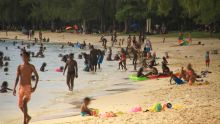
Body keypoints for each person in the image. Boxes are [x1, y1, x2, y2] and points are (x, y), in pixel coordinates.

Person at [13, 52, 39, 124]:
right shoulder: (19, 66)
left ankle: (24, 122)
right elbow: (17, 78)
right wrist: (14, 88)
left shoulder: (31, 66)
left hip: (28, 87)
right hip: (21, 87)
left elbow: (37, 76)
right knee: (20, 106)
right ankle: (28, 117)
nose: (23, 58)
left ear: (28, 57)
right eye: (23, 57)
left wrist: (35, 87)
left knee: (24, 103)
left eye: (25, 57)